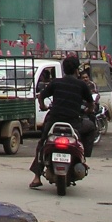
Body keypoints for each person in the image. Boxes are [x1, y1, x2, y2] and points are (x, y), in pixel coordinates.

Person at [29, 55, 93, 189]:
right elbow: (90, 104)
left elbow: (41, 97)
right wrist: (89, 110)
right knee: (91, 127)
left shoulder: (56, 83)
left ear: (64, 69)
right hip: (74, 123)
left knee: (42, 143)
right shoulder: (82, 85)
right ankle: (83, 158)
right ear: (76, 70)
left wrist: (43, 106)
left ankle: (36, 177)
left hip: (54, 121)